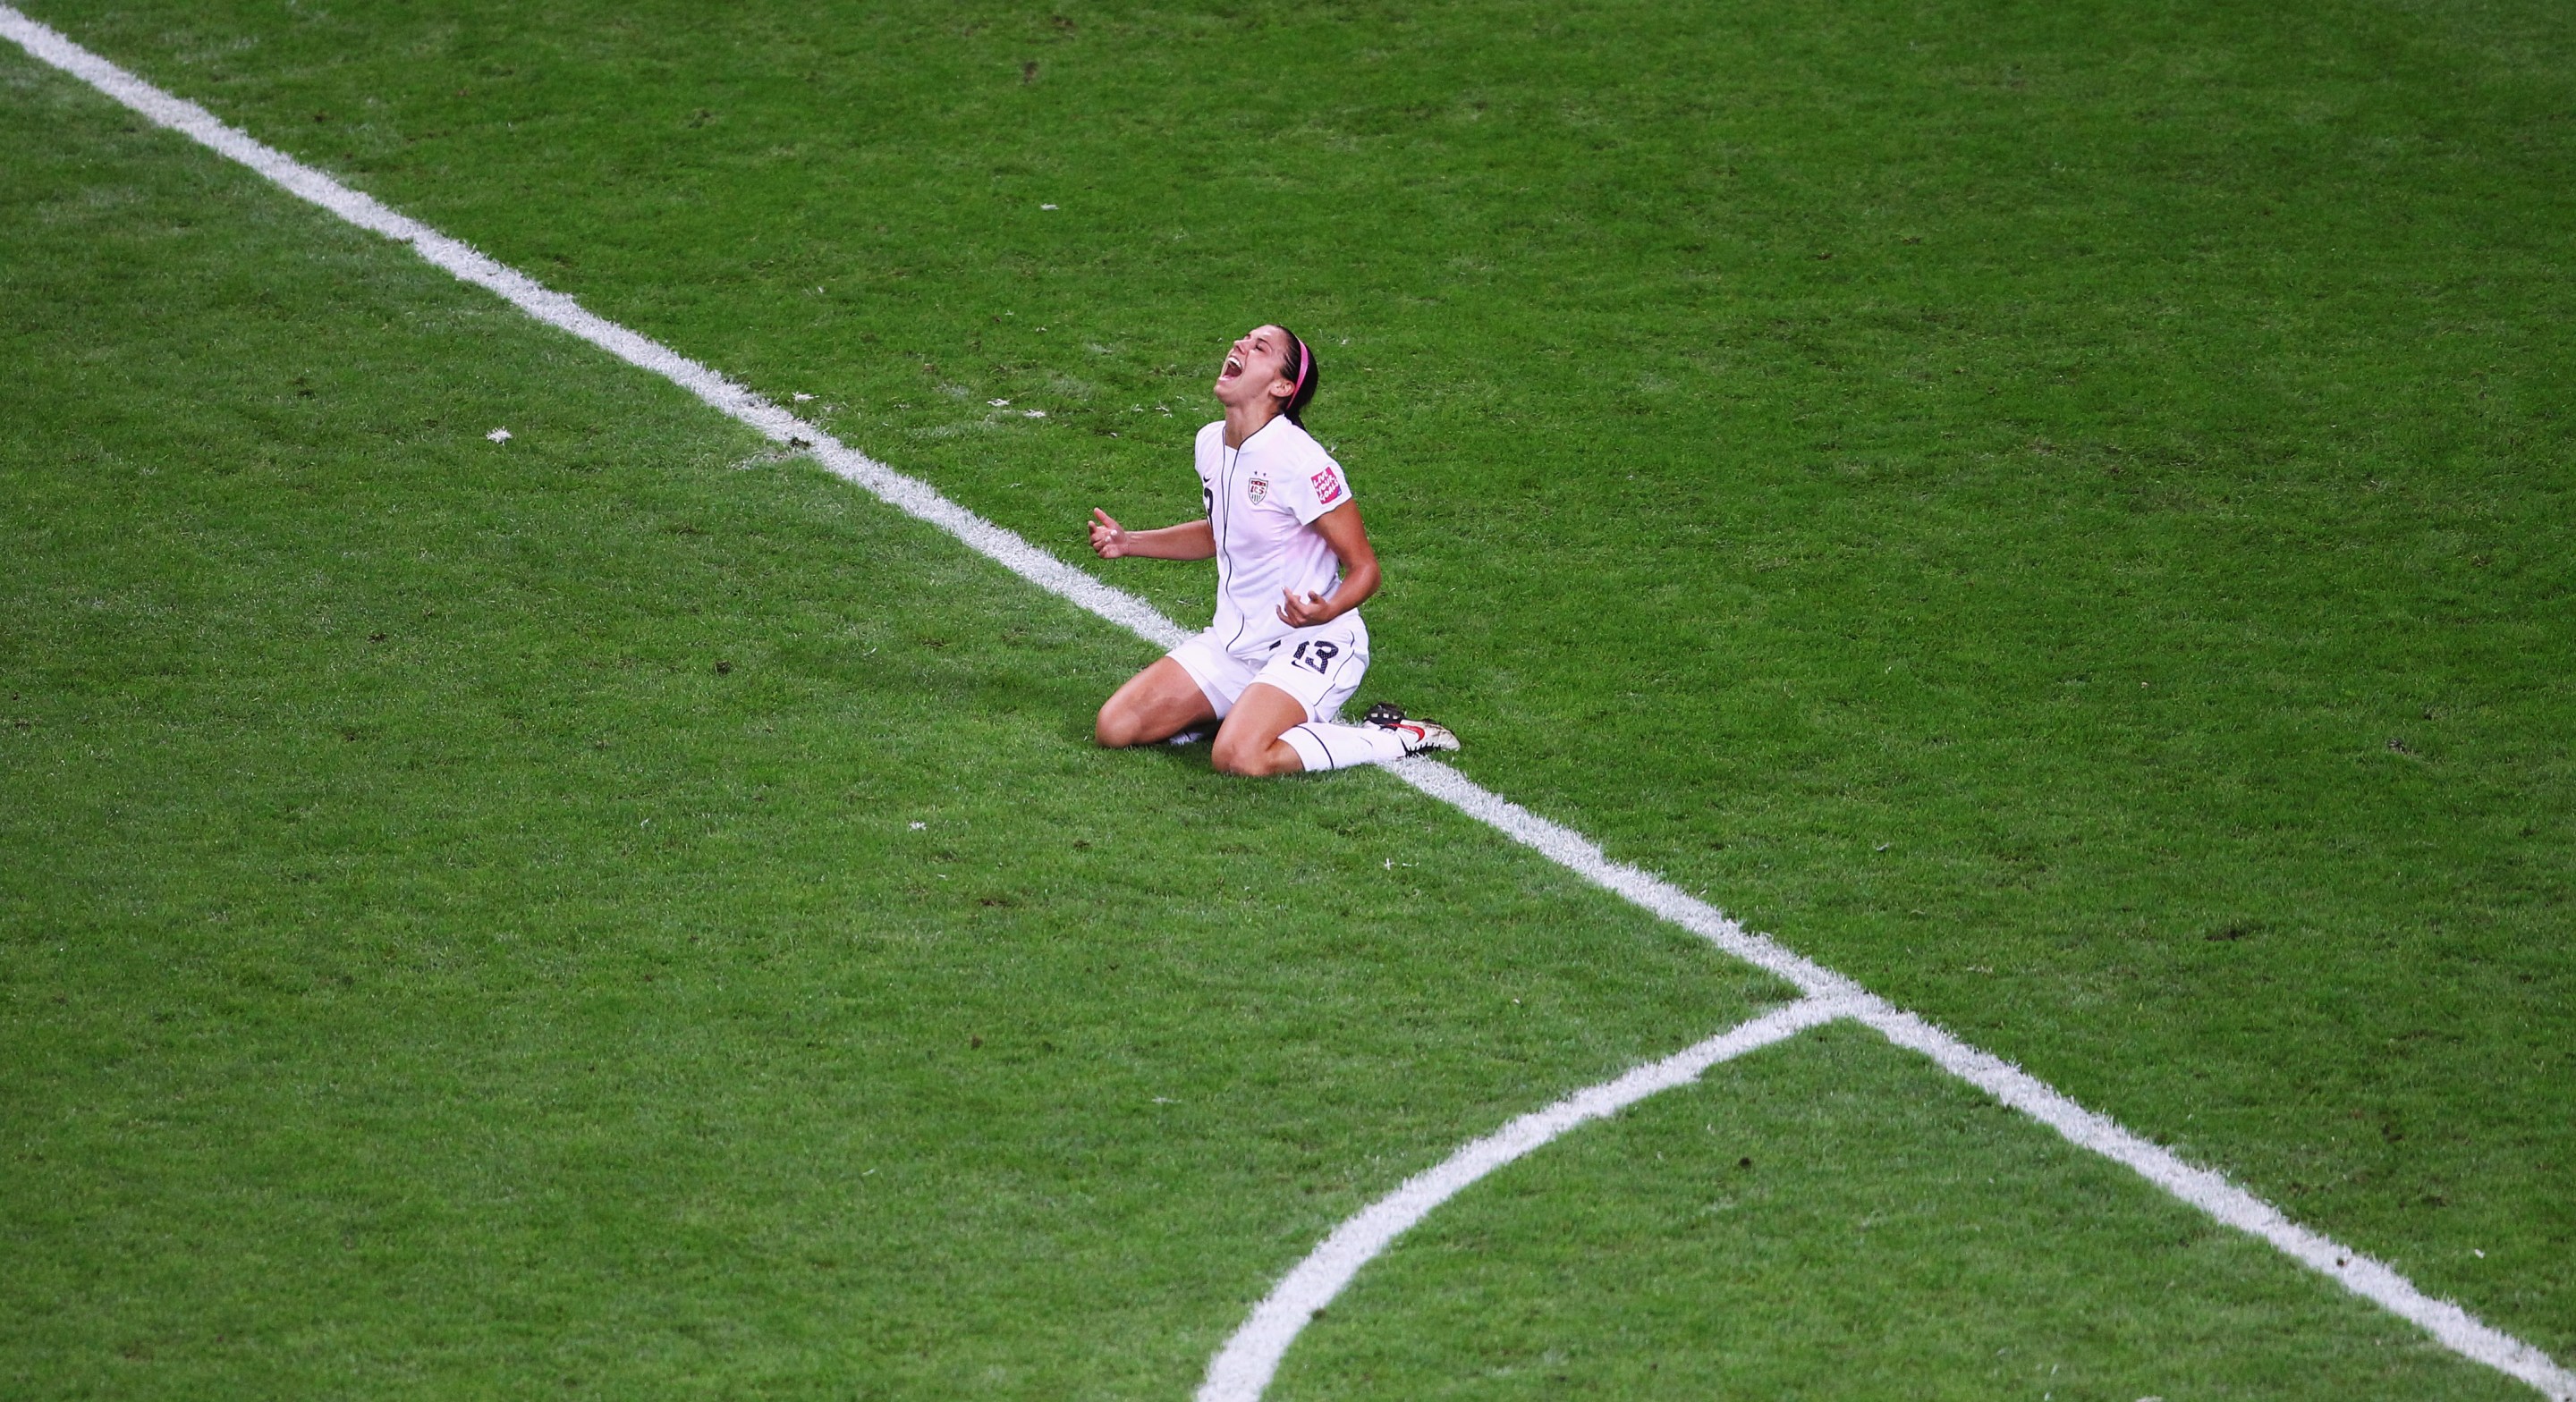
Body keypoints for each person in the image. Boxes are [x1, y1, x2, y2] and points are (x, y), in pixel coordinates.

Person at [1089, 324, 1456, 775]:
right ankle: (1237, 710)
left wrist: (1326, 611)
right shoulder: (1210, 443)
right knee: (1116, 727)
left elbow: (1365, 568)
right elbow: (1222, 531)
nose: (1240, 345)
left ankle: (1395, 736)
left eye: (1260, 347)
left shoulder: (1301, 462)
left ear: (1283, 386)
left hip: (1311, 643)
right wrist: (1132, 543)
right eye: (1243, 339)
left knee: (1238, 757)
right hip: (1233, 645)